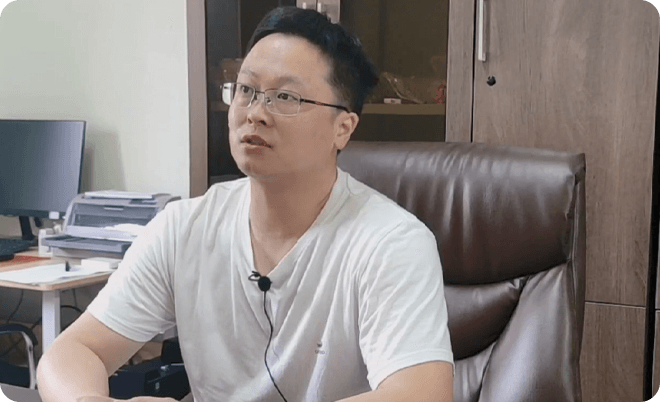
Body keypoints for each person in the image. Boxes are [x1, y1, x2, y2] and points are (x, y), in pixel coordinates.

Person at [37, 6, 454, 402]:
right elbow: (74, 351)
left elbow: (421, 394)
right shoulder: (183, 228)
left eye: (285, 97)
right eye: (246, 90)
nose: (255, 113)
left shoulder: (391, 242)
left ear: (342, 128)